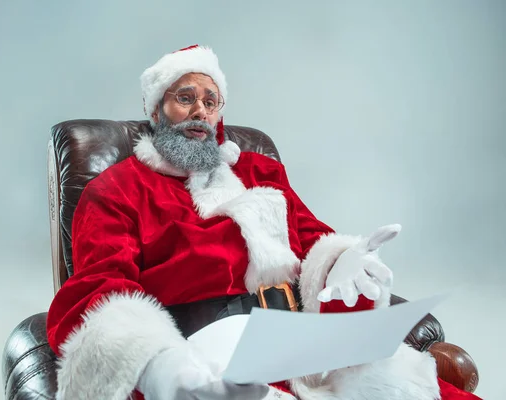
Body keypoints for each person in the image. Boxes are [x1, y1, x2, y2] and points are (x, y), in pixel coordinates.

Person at [46, 45, 481, 400]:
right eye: (185, 98)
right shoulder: (117, 189)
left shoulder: (258, 171)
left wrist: (343, 262)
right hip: (211, 360)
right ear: (156, 111)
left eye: (210, 101)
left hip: (305, 347)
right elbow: (99, 292)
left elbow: (313, 239)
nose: (200, 110)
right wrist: (164, 367)